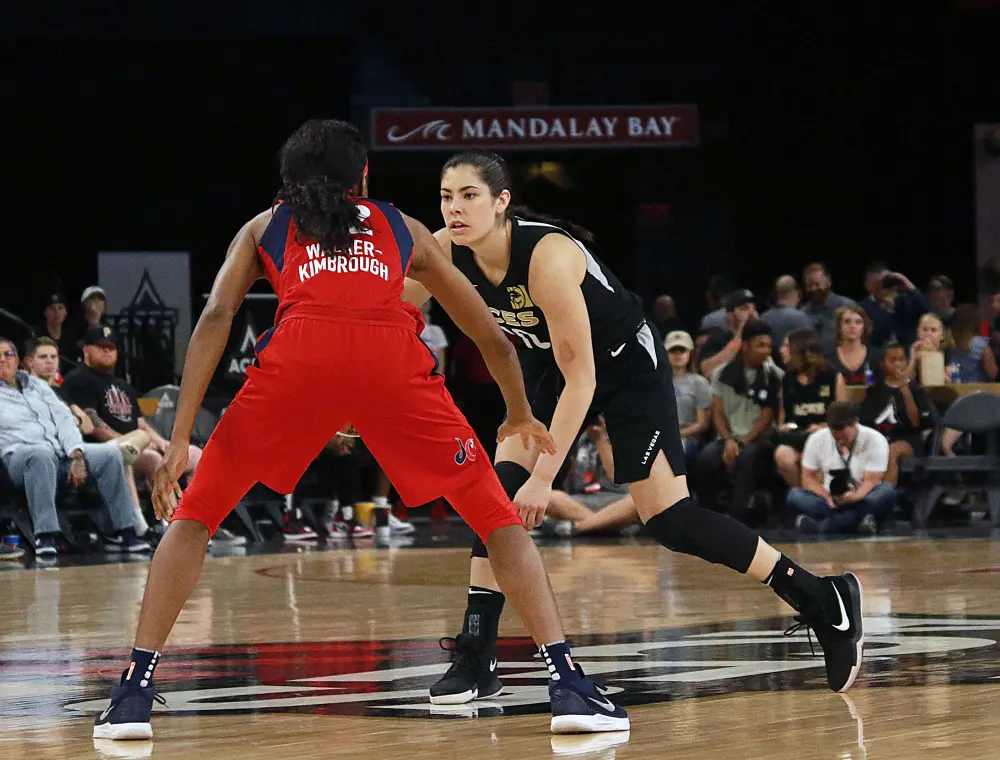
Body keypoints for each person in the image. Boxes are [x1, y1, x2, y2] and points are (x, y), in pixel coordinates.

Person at [92, 120, 626, 741]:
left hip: (295, 365)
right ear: (364, 177)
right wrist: (516, 412)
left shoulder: (266, 226)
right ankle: (567, 684)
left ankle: (134, 690)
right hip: (389, 367)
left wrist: (181, 437)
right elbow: (489, 332)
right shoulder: (402, 227)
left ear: (289, 182)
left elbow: (216, 316)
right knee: (497, 520)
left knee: (195, 517)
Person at [406, 149, 864, 708]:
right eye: (446, 197)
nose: (454, 208)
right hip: (546, 367)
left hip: (623, 367)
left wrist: (544, 480)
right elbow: (390, 306)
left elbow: (584, 380)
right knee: (493, 498)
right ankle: (477, 656)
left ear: (502, 203)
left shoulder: (545, 257)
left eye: (469, 195)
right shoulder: (444, 248)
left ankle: (819, 596)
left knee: (672, 521)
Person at [786, 401, 896, 535]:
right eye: (836, 438)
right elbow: (807, 478)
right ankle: (856, 523)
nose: (841, 442)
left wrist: (853, 497)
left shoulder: (875, 440)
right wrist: (826, 496)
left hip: (861, 496)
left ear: (855, 423)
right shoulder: (816, 439)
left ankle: (824, 527)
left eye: (844, 437)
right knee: (794, 495)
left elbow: (870, 482)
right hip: (828, 499)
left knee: (886, 491)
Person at [774, 329, 838, 489]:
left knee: (817, 458)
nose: (781, 350)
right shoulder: (787, 379)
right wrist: (784, 428)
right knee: (783, 454)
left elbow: (843, 417)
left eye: (786, 346)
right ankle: (804, 496)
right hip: (798, 437)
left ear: (800, 351)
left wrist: (822, 427)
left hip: (826, 436)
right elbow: (782, 419)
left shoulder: (831, 377)